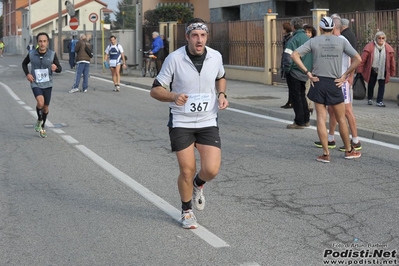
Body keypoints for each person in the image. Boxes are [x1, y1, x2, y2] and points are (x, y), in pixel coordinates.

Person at [150, 18, 229, 229]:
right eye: (194, 35)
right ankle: (186, 211)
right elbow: (155, 90)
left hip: (207, 120)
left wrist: (221, 93)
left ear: (207, 37)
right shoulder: (174, 59)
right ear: (187, 37)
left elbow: (221, 77)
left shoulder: (215, 56)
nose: (199, 39)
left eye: (203, 35)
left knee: (211, 169)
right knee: (187, 169)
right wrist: (173, 96)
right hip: (181, 121)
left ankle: (198, 184)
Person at [291, 17, 362, 162]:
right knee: (341, 119)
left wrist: (308, 73)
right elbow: (358, 59)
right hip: (335, 83)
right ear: (333, 28)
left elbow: (294, 55)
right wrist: (345, 75)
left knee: (321, 119)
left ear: (321, 28)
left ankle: (325, 154)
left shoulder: (314, 41)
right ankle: (348, 150)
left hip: (318, 82)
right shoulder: (341, 41)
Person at [314, 17, 362, 152]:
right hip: (331, 81)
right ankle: (330, 138)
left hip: (342, 82)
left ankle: (355, 140)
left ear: (334, 27)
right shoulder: (328, 42)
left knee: (346, 111)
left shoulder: (342, 40)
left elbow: (355, 57)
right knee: (332, 110)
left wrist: (349, 75)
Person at [22, 32, 62, 138]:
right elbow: (24, 64)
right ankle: (39, 120)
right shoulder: (31, 54)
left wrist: (56, 68)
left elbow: (59, 68)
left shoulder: (52, 54)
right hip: (36, 83)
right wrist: (28, 74)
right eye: (40, 41)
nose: (42, 43)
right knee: (40, 102)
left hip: (48, 84)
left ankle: (42, 126)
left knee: (45, 108)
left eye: (44, 41)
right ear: (37, 42)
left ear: (47, 42)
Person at [282, 17, 312, 129]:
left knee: (296, 97)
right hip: (305, 71)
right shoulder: (308, 39)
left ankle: (299, 121)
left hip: (294, 71)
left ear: (293, 26)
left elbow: (287, 57)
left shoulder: (292, 40)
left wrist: (287, 70)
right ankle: (306, 119)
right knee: (302, 95)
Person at [357, 31, 396, 107]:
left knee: (382, 85)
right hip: (372, 69)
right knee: (371, 84)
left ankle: (379, 101)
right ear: (376, 38)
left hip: (383, 70)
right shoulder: (370, 47)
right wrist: (359, 70)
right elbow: (363, 60)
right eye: (379, 38)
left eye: (383, 38)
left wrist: (392, 71)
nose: (381, 40)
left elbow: (392, 62)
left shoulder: (388, 48)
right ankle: (370, 99)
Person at [303, 24, 317, 115]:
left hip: (311, 69)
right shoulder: (306, 43)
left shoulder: (313, 42)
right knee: (307, 87)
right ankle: (309, 106)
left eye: (309, 32)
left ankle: (309, 106)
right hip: (305, 69)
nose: (307, 34)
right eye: (306, 32)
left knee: (308, 87)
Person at [280, 22, 293, 109]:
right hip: (286, 59)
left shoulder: (289, 38)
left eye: (283, 28)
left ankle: (291, 102)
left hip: (288, 61)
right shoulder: (287, 37)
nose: (282, 30)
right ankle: (290, 101)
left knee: (291, 84)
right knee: (289, 84)